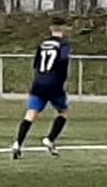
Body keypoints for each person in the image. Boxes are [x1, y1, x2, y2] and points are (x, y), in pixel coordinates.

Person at [13, 18, 72, 159]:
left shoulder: (43, 43)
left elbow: (36, 64)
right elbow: (63, 60)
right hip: (54, 82)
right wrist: (62, 79)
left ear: (51, 29)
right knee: (64, 112)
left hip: (39, 82)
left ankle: (18, 143)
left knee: (31, 113)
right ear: (63, 29)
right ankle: (50, 139)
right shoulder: (64, 44)